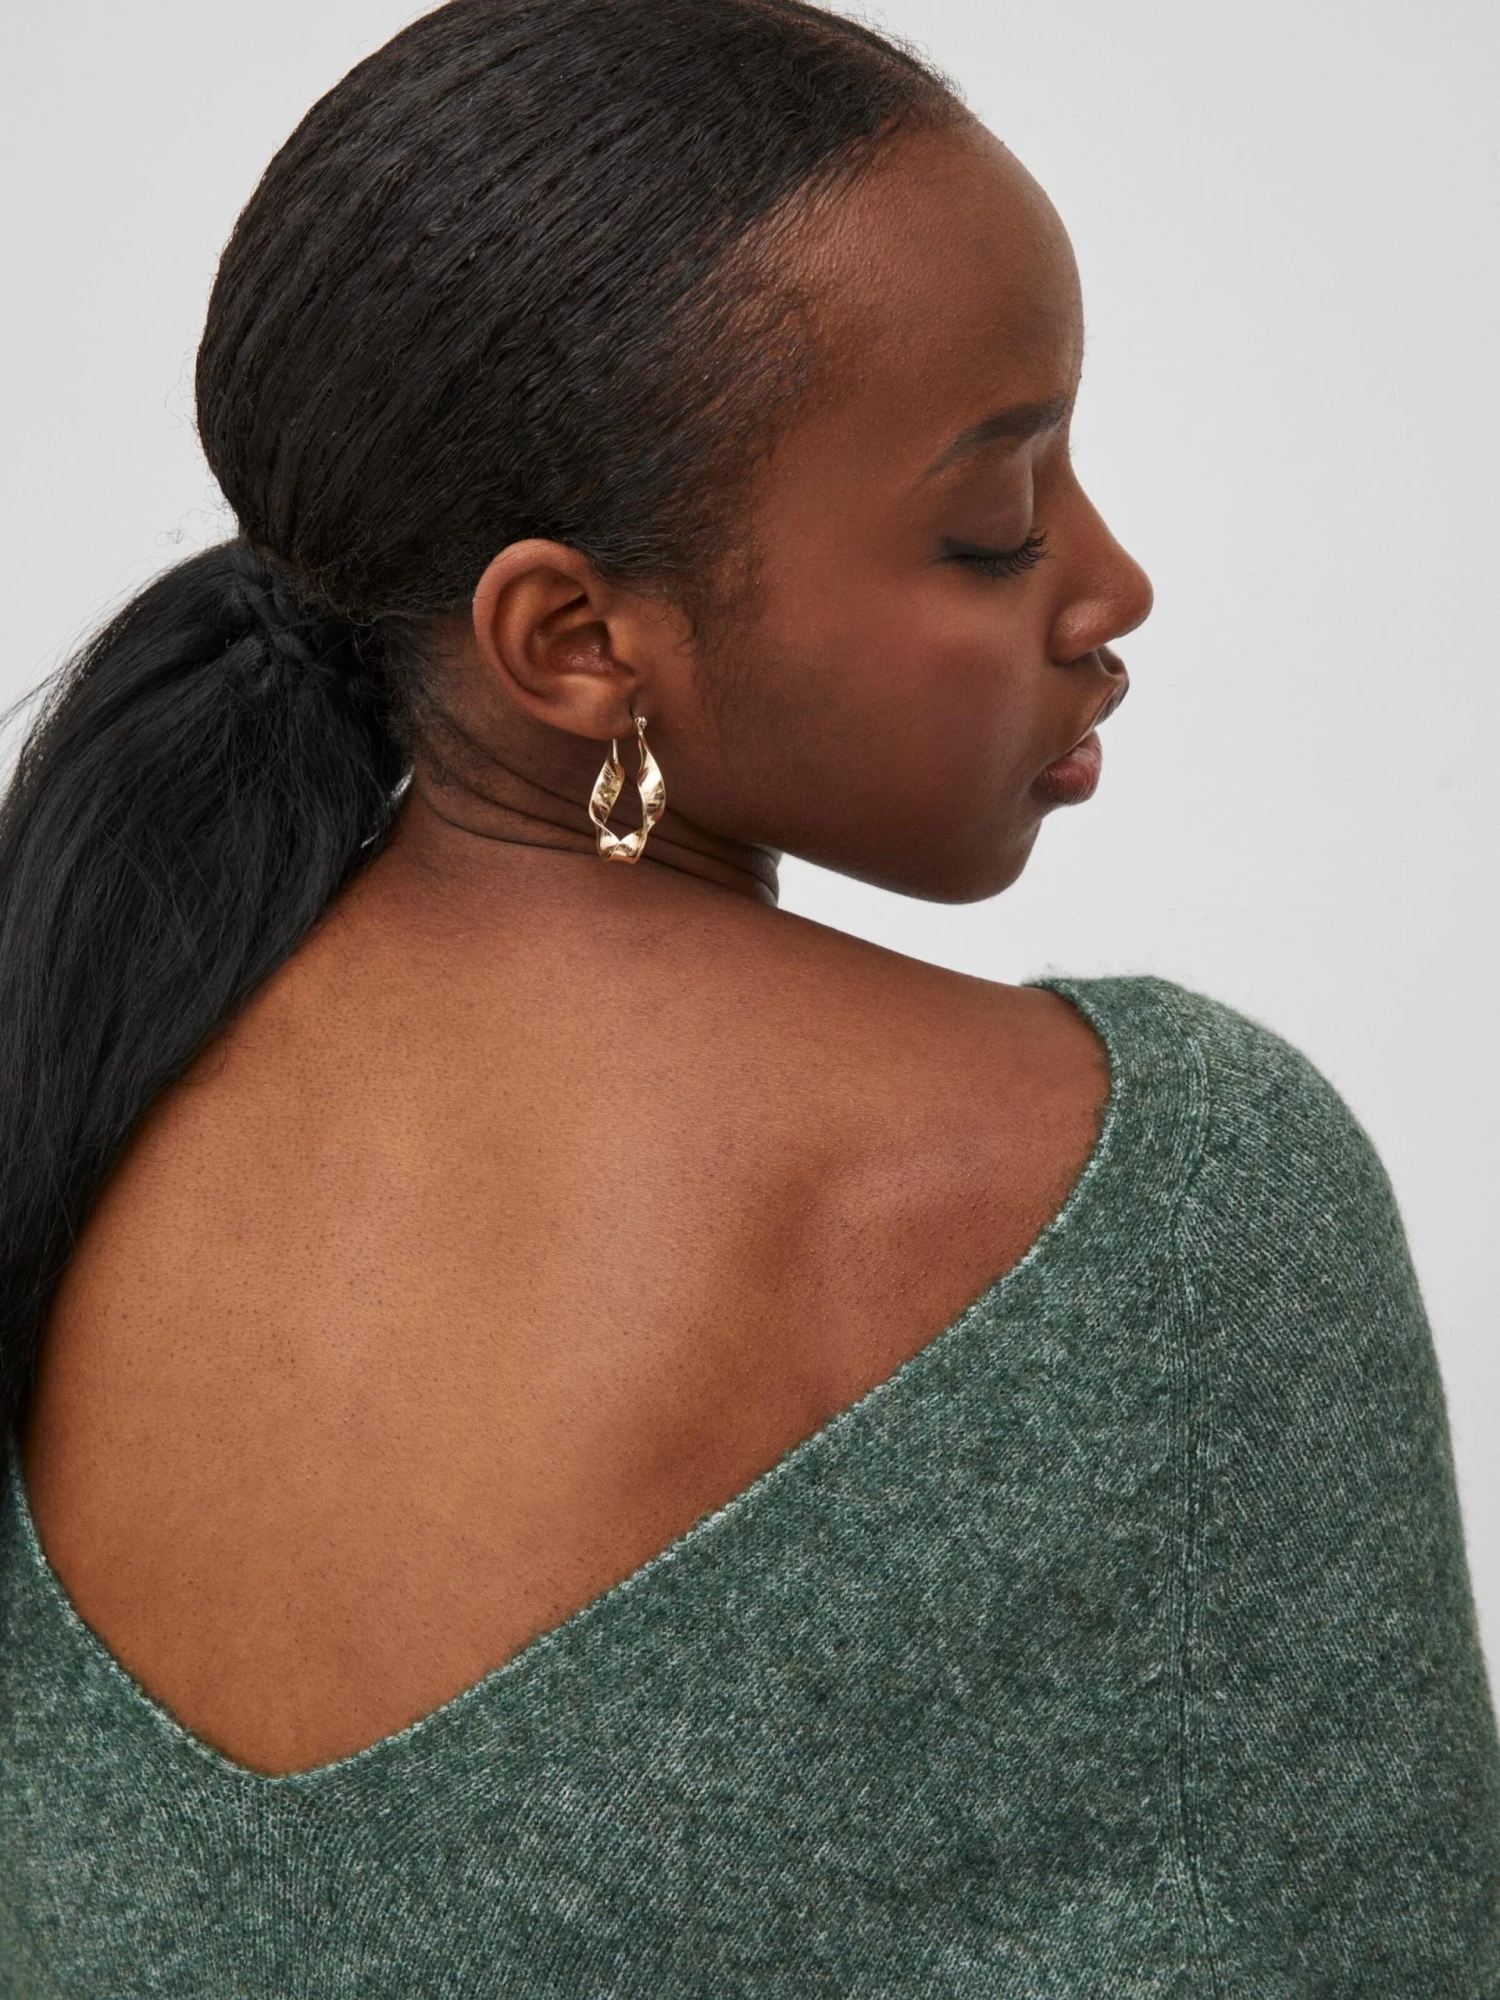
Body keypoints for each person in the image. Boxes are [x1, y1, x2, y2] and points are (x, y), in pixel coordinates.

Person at [0, 0, 1495, 1990]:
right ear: (574, 638)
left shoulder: (79, 1093)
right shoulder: (1164, 1196)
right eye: (996, 524)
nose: (1111, 581)